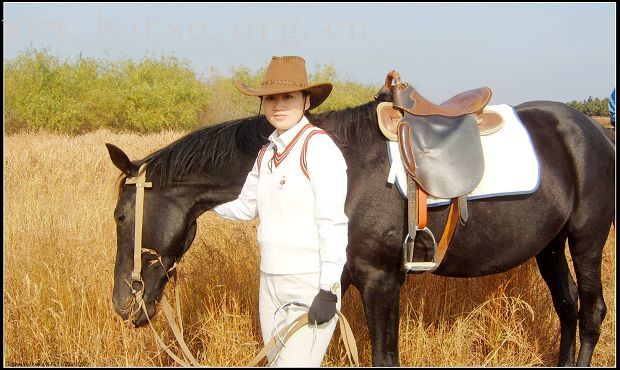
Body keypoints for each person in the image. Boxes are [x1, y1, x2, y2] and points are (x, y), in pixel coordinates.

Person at [212, 56, 348, 367]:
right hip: (269, 279)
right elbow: (246, 207)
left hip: (308, 280)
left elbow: (333, 223)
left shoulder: (318, 148)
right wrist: (201, 203)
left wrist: (328, 290)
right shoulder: (266, 152)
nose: (278, 105)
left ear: (307, 100)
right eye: (271, 98)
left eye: (288, 97)